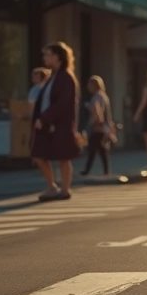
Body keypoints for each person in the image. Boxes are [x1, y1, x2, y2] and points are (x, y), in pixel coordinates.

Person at [31, 42, 81, 201]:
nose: (45, 57)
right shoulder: (52, 76)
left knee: (63, 157)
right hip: (46, 124)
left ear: (58, 57)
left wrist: (45, 117)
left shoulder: (66, 77)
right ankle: (52, 186)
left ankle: (65, 189)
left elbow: (62, 103)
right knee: (38, 155)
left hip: (59, 124)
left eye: (48, 54)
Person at [81, 75, 115, 177]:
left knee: (95, 148)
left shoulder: (97, 96)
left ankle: (89, 170)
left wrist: (92, 122)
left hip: (98, 126)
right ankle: (104, 171)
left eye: (89, 84)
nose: (88, 87)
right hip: (104, 126)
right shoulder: (103, 96)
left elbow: (97, 110)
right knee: (99, 149)